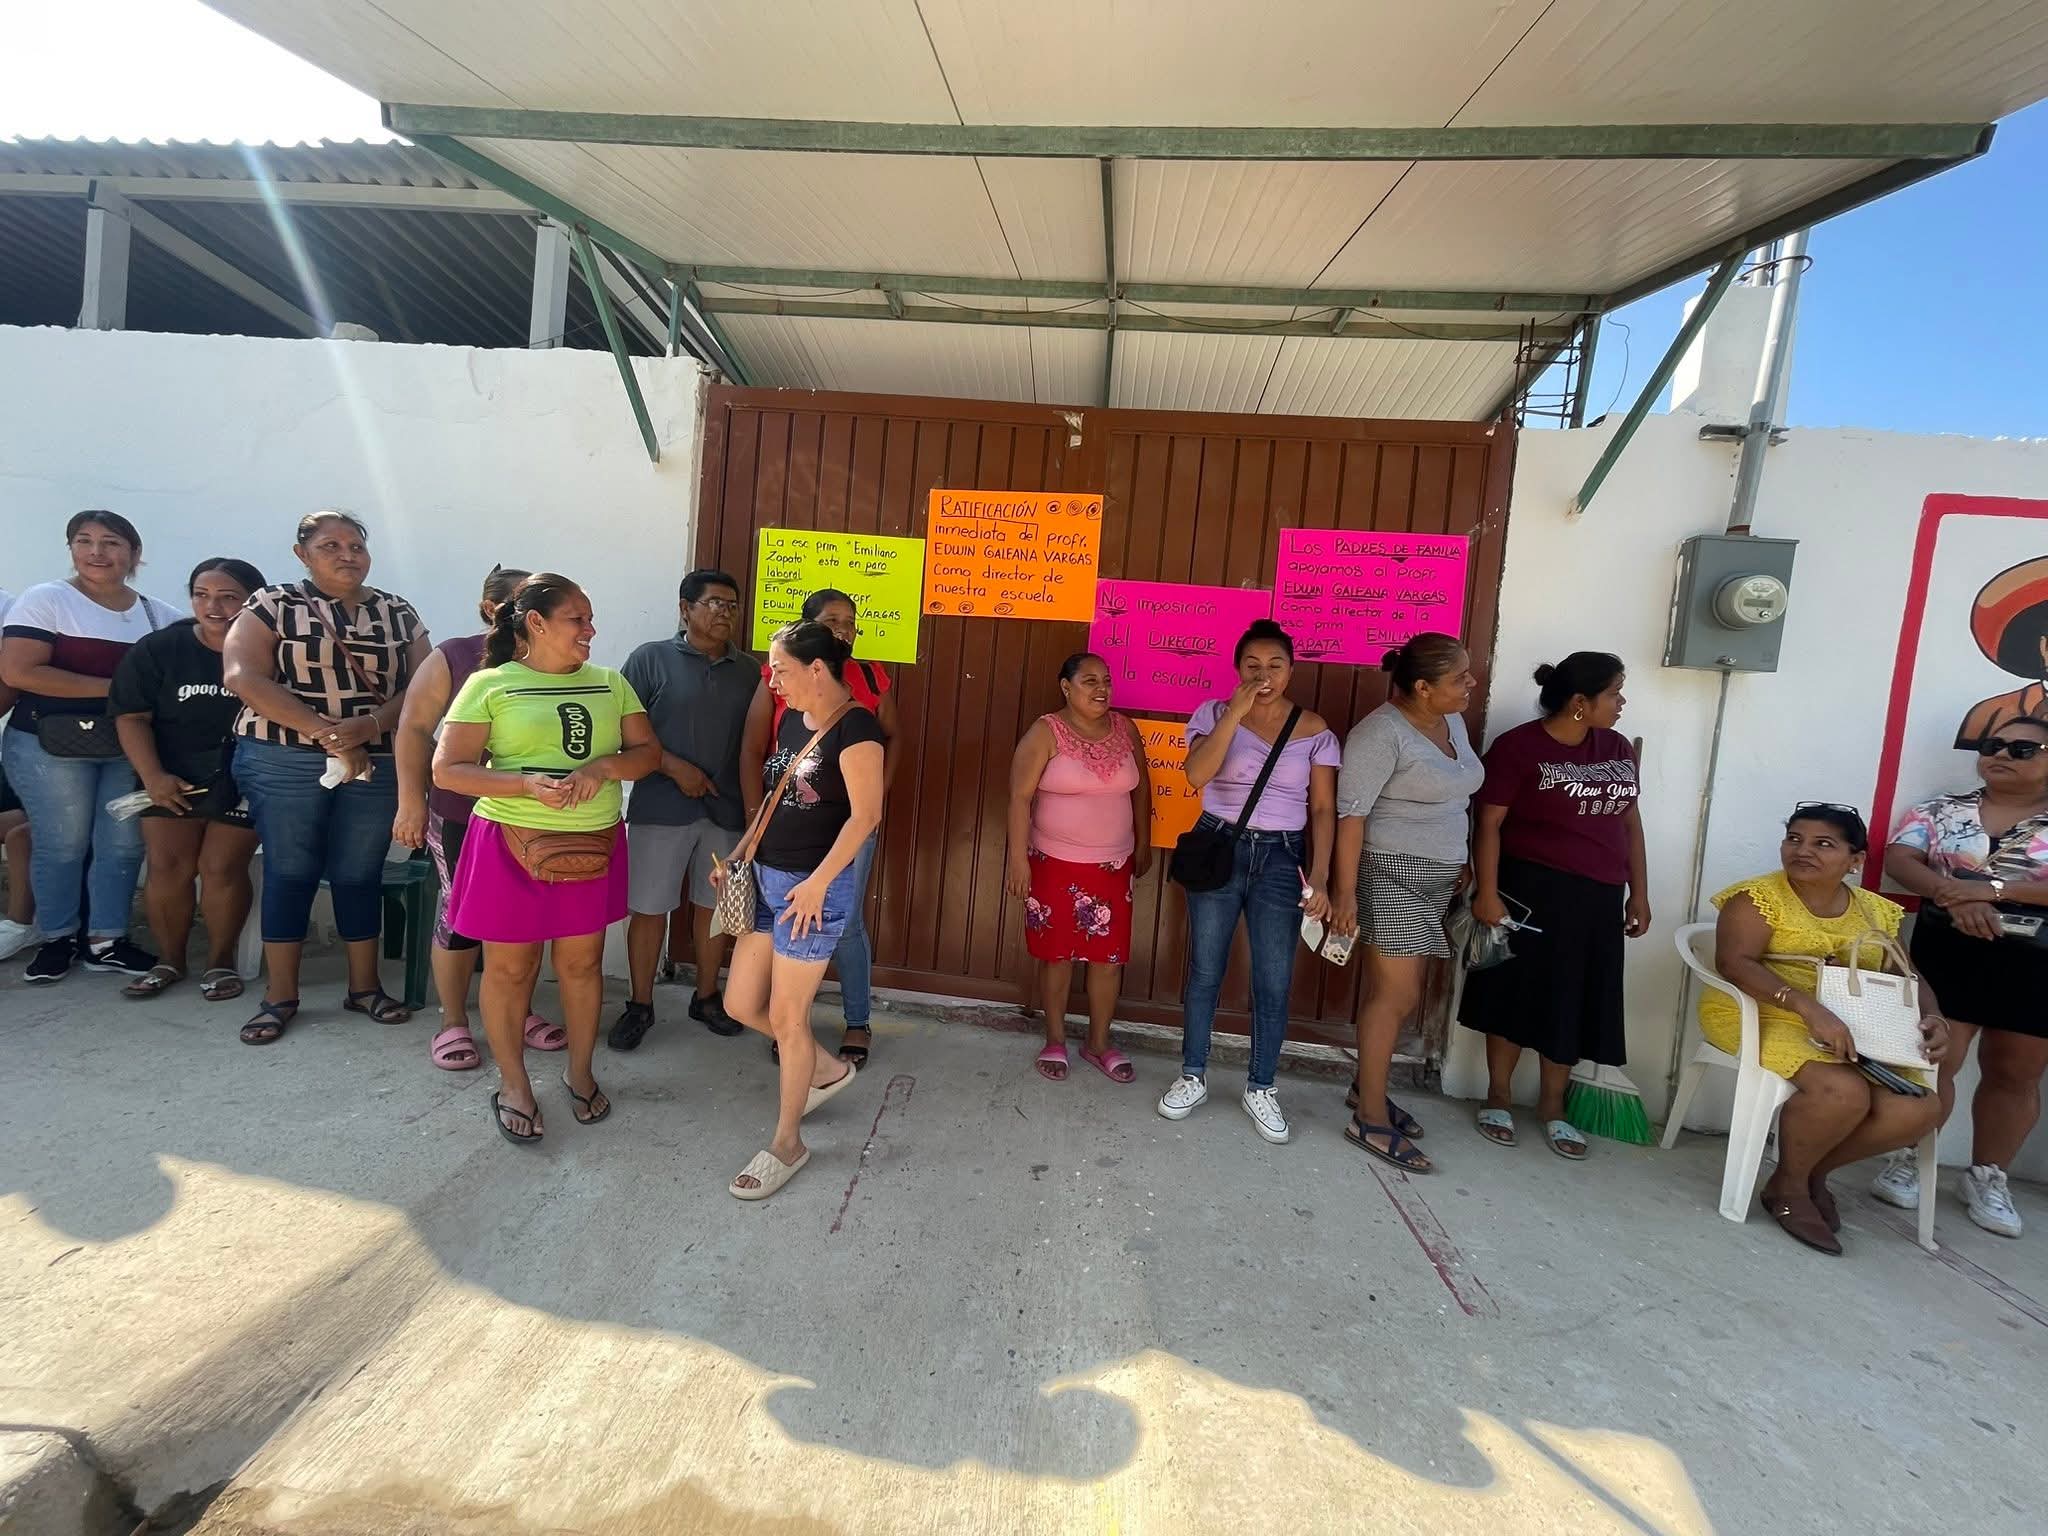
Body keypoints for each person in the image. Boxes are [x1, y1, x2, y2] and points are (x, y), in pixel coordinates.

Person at [434, 574, 658, 1145]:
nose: (591, 630)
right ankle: (513, 1085)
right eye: (577, 619)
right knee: (511, 970)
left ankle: (580, 1072)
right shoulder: (490, 684)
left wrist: (600, 768)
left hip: (591, 844)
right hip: (509, 843)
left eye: (590, 618)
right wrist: (527, 785)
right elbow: (448, 770)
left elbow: (646, 754)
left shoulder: (610, 683)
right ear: (536, 623)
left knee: (582, 967)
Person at [1705, 805, 1952, 1255]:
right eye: (1794, 839)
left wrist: (1933, 1016)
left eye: (1823, 844)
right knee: (1842, 1092)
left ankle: (1800, 1174)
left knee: (1917, 1109)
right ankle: (1794, 1191)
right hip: (1764, 1012)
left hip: (1853, 1027)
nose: (1803, 851)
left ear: (1855, 860)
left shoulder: (1877, 911)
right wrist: (1807, 1008)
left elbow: (1906, 975)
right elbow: (1733, 963)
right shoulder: (1758, 897)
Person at [223, 511, 431, 1043]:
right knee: (290, 871)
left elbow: (425, 685)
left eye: (356, 545)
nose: (347, 554)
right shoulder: (272, 604)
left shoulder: (397, 612)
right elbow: (243, 675)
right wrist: (326, 732)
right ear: (302, 554)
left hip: (378, 758)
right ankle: (280, 996)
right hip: (283, 757)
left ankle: (364, 988)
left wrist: (371, 724)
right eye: (330, 545)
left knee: (359, 872)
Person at [1460, 653, 1651, 1159]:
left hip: (1598, 897)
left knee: (1575, 999)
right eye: (1615, 693)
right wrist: (1486, 890)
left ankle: (1552, 1106)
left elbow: (1629, 824)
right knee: (1513, 993)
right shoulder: (1519, 747)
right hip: (1529, 890)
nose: (1622, 702)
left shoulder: (1614, 748)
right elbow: (1490, 824)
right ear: (1579, 702)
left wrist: (1641, 892)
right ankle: (1497, 1095)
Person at [713, 620, 879, 1200]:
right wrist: (736, 858)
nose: (773, 680)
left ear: (816, 668)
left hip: (811, 891)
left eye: (780, 669)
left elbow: (864, 817)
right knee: (740, 1002)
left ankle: (788, 1142)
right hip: (764, 877)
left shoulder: (858, 730)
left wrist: (818, 885)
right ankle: (826, 1070)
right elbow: (772, 798)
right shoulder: (790, 719)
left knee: (788, 1018)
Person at [1156, 620, 1338, 1145]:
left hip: (1282, 857)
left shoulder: (1315, 729)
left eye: (1275, 665)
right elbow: (1195, 776)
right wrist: (1235, 712)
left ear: (1291, 670)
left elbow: (1323, 808)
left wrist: (1320, 877)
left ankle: (1261, 1086)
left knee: (1273, 980)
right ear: (1238, 670)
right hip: (1219, 846)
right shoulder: (1213, 713)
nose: (1264, 675)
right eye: (1253, 666)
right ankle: (1192, 1074)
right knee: (1206, 970)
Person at [1878, 716, 2048, 1238]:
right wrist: (1955, 896)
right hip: (1948, 948)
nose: (2000, 754)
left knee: (2015, 1070)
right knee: (1937, 1059)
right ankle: (1910, 1157)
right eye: (1992, 745)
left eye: (2022, 749)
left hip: (2036, 959)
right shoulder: (1940, 809)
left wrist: (1990, 892)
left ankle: (1987, 1178)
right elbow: (1901, 858)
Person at [393, 564, 565, 1072]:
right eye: (523, 603)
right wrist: (410, 801)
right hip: (461, 814)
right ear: (493, 609)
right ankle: (453, 1021)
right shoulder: (454, 656)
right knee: (460, 916)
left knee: (523, 920)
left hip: (534, 818)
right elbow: (414, 728)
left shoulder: (557, 660)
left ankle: (519, 1011)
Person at [1, 512, 182, 983]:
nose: (97, 552)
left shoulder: (157, 616)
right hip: (47, 747)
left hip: (127, 747)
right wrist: (117, 690)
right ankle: (58, 938)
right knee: (61, 844)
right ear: (71, 548)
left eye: (111, 542)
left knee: (121, 845)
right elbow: (20, 672)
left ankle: (106, 941)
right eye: (84, 541)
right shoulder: (46, 600)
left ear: (134, 554)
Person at [1330, 634, 1484, 1173]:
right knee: (1395, 996)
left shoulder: (1451, 721)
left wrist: (1460, 858)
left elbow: (1454, 795)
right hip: (1393, 872)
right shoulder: (1380, 734)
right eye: (1459, 678)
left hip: (1439, 875)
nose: (1470, 684)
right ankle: (1369, 1118)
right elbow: (1351, 817)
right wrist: (1345, 895)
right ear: (1422, 687)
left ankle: (1364, 1090)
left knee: (1399, 995)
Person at [742, 587, 901, 1067]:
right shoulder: (778, 674)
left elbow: (891, 739)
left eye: (851, 621)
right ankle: (792, 1029)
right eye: (833, 621)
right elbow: (754, 749)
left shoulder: (869, 676)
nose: (844, 630)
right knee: (787, 924)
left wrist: (872, 798)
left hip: (849, 825)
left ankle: (857, 1021)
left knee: (846, 921)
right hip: (785, 827)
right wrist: (755, 821)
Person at [108, 558, 267, 1001]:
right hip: (169, 777)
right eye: (201, 594)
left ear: (253, 600)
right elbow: (132, 716)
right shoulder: (160, 648)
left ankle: (220, 962)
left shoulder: (273, 649)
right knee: (168, 867)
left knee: (221, 867)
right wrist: (153, 776)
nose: (212, 605)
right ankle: (170, 961)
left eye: (228, 596)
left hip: (244, 778)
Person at [614, 569, 757, 1050]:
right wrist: (675, 768)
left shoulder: (752, 671)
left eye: (732, 605)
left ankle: (707, 997)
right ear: (685, 608)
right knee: (650, 910)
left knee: (714, 908)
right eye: (714, 602)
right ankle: (639, 1004)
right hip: (660, 807)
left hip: (727, 811)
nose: (724, 613)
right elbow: (624, 731)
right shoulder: (650, 660)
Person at [1005, 652, 1151, 1083]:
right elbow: (1018, 798)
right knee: (1058, 957)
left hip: (1112, 865)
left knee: (1108, 959)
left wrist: (1143, 842)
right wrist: (1017, 860)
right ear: (1066, 687)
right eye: (1089, 681)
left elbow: (1141, 792)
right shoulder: (1045, 732)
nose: (1101, 688)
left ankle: (1099, 1043)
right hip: (1053, 864)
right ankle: (1054, 1039)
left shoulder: (1126, 729)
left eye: (1105, 680)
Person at [0, 583, 39, 962]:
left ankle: (22, 924)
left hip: (44, 749)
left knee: (22, 832)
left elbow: (12, 682)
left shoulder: (11, 607)